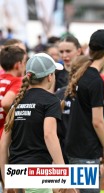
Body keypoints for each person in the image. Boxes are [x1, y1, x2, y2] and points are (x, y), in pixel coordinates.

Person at [0, 53, 65, 193]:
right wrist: (63, 176)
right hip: (37, 172)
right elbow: (49, 135)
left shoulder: (17, 101)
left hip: (15, 173)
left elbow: (4, 144)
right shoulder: (51, 100)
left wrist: (6, 181)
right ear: (49, 76)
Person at [64, 29, 104, 193]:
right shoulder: (95, 81)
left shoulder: (82, 74)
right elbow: (97, 121)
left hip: (75, 147)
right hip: (85, 152)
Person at [0, 46, 27, 137]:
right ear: (18, 65)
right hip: (3, 133)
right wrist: (14, 119)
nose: (25, 65)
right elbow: (6, 103)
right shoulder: (17, 81)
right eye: (24, 62)